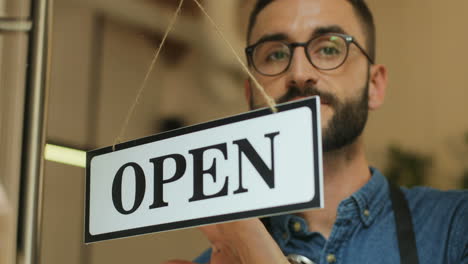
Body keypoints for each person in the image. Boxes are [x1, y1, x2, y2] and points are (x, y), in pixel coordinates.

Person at [164, 0, 468, 263]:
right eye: (276, 55)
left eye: (328, 49)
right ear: (249, 95)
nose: (299, 74)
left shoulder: (456, 226)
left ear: (374, 86)